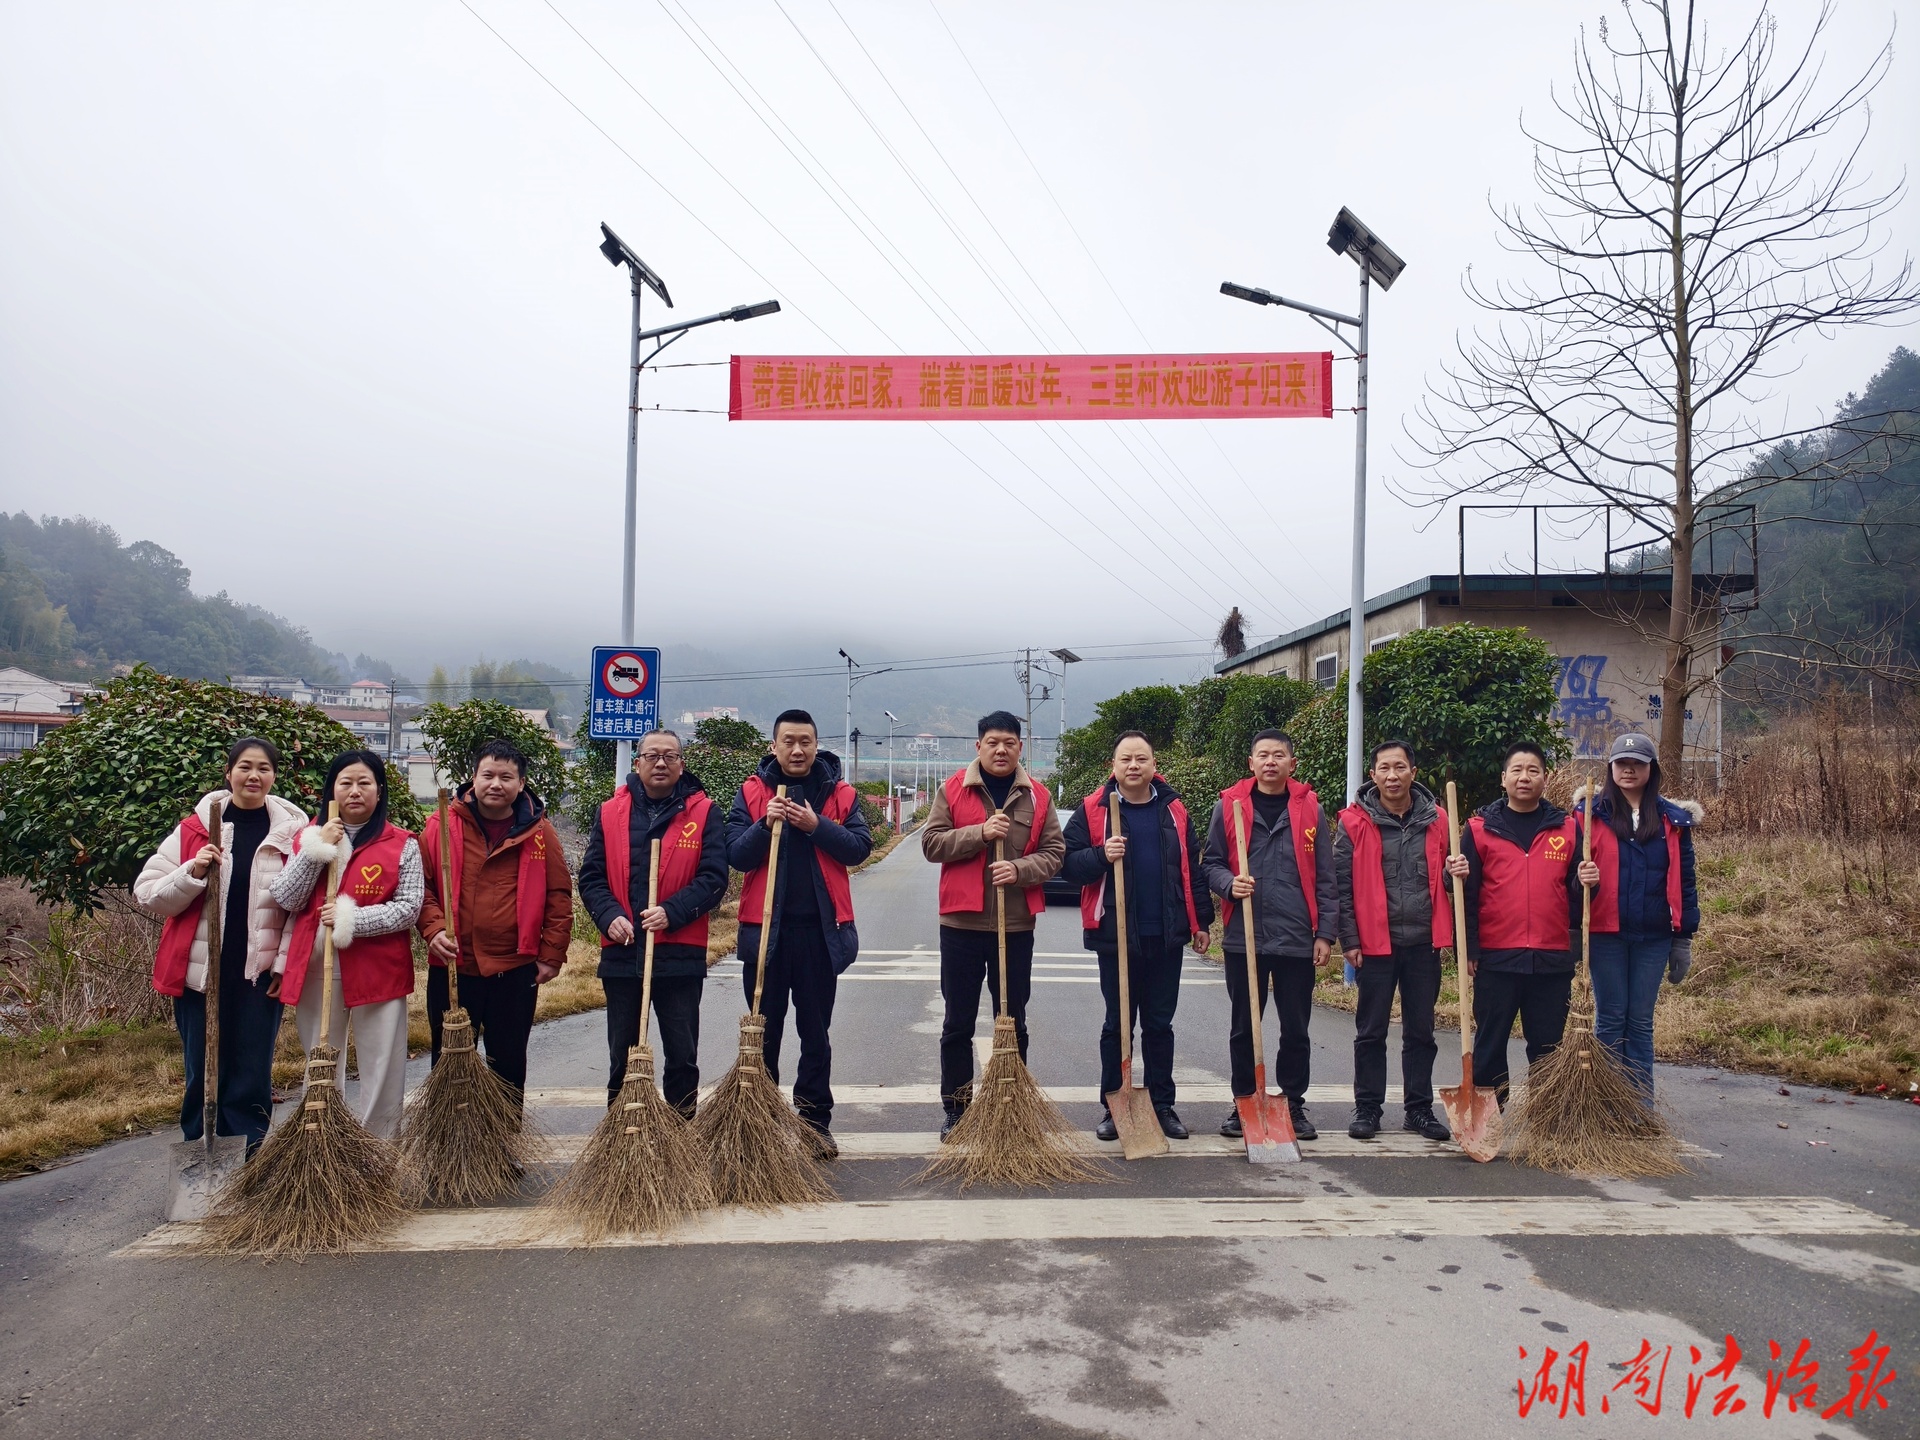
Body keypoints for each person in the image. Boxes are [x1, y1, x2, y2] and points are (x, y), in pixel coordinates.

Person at [135, 737, 308, 1153]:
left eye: (264, 768)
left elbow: (301, 909)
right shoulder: (195, 829)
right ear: (228, 773)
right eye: (245, 767)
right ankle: (202, 1149)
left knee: (252, 1070)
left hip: (257, 975)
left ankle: (249, 1155)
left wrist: (282, 966)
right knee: (202, 1068)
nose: (254, 775)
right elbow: (148, 892)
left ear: (274, 776)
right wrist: (193, 871)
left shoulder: (293, 836)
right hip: (201, 972)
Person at [726, 710, 872, 1156]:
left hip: (820, 936)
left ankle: (814, 1124)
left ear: (815, 745)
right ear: (774, 746)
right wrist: (763, 825)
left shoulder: (840, 793)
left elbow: (859, 848)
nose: (797, 749)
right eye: (788, 741)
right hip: (766, 935)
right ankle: (761, 1124)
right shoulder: (752, 792)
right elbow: (735, 855)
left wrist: (816, 825)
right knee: (763, 1034)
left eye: (805, 741)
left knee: (815, 1034)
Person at [919, 710, 1066, 1140]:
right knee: (957, 1023)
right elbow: (931, 844)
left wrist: (1019, 870)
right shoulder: (952, 789)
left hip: (1016, 926)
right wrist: (980, 834)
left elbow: (1055, 853)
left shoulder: (1038, 795)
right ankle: (956, 1110)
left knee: (1013, 1021)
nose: (1001, 750)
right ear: (978, 746)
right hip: (960, 925)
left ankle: (1010, 1106)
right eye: (992, 742)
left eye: (1009, 743)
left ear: (1020, 747)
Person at [1059, 731, 1212, 1141]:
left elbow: (1192, 869)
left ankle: (1162, 1106)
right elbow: (1067, 864)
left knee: (1159, 1025)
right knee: (1118, 1024)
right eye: (1125, 758)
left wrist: (1200, 921)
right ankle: (1115, 1105)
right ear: (1113, 765)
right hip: (1116, 936)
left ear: (1153, 764)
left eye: (1141, 758)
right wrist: (1101, 855)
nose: (1133, 765)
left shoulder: (1174, 809)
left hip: (1166, 934)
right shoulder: (1094, 809)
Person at [271, 749, 423, 1139]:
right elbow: (287, 897)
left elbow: (409, 908)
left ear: (379, 790)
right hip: (318, 966)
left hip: (380, 968)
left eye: (364, 783)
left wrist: (352, 919)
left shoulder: (402, 843)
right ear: (332, 790)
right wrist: (317, 850)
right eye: (346, 783)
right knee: (321, 1059)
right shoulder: (308, 837)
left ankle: (380, 1148)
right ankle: (326, 1143)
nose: (355, 791)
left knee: (383, 1062)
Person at [579, 727, 729, 1115]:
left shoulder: (704, 812)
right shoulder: (610, 812)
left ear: (681, 764)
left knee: (682, 1056)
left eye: (669, 756)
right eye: (652, 756)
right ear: (637, 763)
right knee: (623, 1056)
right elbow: (592, 877)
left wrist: (671, 912)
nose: (660, 763)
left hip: (679, 955)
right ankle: (623, 1134)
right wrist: (609, 916)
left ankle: (680, 1133)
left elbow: (714, 879)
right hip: (623, 952)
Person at [417, 738, 573, 1099]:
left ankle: (504, 1133)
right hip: (453, 966)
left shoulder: (540, 832)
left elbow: (559, 897)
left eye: (506, 777)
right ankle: (450, 1133)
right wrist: (433, 929)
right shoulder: (441, 825)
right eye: (488, 775)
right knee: (449, 1064)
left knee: (509, 1066)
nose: (496, 784)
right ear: (473, 778)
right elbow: (421, 888)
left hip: (514, 969)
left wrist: (551, 955)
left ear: (521, 783)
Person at [1445, 741, 1599, 1104]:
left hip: (1551, 957)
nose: (1524, 777)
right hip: (1496, 957)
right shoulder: (1480, 829)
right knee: (1490, 1043)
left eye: (1533, 770)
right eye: (1517, 770)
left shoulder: (1567, 828)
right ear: (1504, 778)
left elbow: (1577, 895)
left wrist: (1587, 880)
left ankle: (1544, 1116)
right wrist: (1468, 947)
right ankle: (1490, 1116)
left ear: (1546, 778)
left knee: (1547, 1045)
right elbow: (1466, 893)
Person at [1201, 729, 1337, 1141]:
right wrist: (1229, 884)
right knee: (1245, 1026)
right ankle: (1244, 1101)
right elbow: (1210, 862)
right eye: (1263, 755)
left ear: (1292, 764)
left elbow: (1326, 876)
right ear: (1251, 763)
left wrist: (1325, 933)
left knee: (1295, 1028)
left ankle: (1292, 1103)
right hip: (1245, 936)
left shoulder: (1310, 809)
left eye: (1279, 755)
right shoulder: (1229, 805)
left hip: (1296, 936)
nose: (1270, 762)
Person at [1331, 739, 1453, 1142]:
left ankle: (1419, 1109)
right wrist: (1349, 940)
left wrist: (1456, 871)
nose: (1392, 775)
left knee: (1421, 1032)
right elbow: (1341, 886)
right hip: (1374, 945)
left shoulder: (1438, 819)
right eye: (1384, 768)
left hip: (1423, 943)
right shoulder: (1353, 822)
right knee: (1371, 1031)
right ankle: (1367, 1108)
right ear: (1373, 775)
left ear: (1413, 773)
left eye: (1400, 767)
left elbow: (1449, 878)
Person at [1583, 731, 1700, 1099]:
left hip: (1654, 936)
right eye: (1622, 763)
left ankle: (1638, 1108)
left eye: (1638, 763)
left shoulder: (1673, 822)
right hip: (1605, 934)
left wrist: (1682, 938)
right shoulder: (1589, 816)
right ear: (1611, 768)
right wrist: (1573, 928)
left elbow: (1685, 881)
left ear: (1652, 769)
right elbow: (1571, 878)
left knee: (1640, 1022)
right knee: (1611, 1019)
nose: (1629, 770)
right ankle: (1607, 1106)